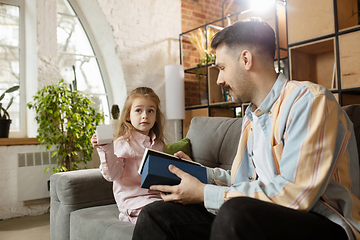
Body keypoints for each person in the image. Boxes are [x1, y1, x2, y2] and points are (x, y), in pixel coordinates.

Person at [132, 19, 360, 240]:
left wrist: (204, 194)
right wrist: (199, 174)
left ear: (246, 59)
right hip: (261, 217)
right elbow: (240, 181)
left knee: (235, 212)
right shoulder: (251, 118)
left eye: (221, 68)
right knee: (157, 215)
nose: (219, 79)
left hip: (325, 223)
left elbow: (295, 194)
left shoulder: (309, 101)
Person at [91, 87, 165, 224]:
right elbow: (111, 175)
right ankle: (129, 217)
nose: (145, 115)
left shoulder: (159, 144)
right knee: (158, 217)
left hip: (157, 198)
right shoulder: (122, 143)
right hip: (133, 199)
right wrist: (106, 148)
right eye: (138, 110)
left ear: (156, 116)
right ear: (127, 116)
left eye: (150, 111)